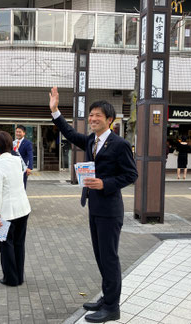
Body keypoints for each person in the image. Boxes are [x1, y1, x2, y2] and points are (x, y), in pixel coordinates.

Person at [49, 87, 138, 323]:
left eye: (98, 115)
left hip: (110, 210)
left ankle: (112, 307)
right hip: (95, 207)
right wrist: (56, 111)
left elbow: (131, 175)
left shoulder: (120, 144)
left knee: (109, 257)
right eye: (91, 115)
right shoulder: (92, 140)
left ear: (110, 120)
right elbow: (69, 133)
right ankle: (106, 298)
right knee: (100, 256)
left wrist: (105, 183)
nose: (92, 119)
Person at [0, 131, 31, 286]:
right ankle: (19, 276)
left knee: (6, 245)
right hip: (23, 207)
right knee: (19, 244)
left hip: (8, 211)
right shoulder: (17, 160)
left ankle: (11, 279)